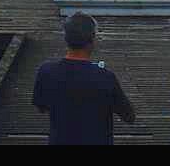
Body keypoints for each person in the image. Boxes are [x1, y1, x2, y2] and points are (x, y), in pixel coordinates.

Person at [32, 12, 135, 145]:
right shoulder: (105, 77)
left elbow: (41, 107)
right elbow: (129, 116)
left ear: (66, 39)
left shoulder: (46, 72)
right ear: (92, 40)